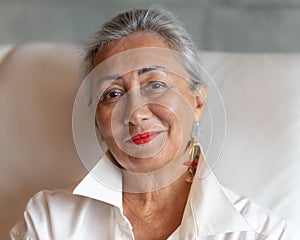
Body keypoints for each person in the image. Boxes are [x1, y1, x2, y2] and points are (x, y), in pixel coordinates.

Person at [10, 7, 289, 240]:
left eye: (155, 84)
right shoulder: (48, 221)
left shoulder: (262, 232)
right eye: (113, 94)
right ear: (98, 122)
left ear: (198, 102)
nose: (135, 113)